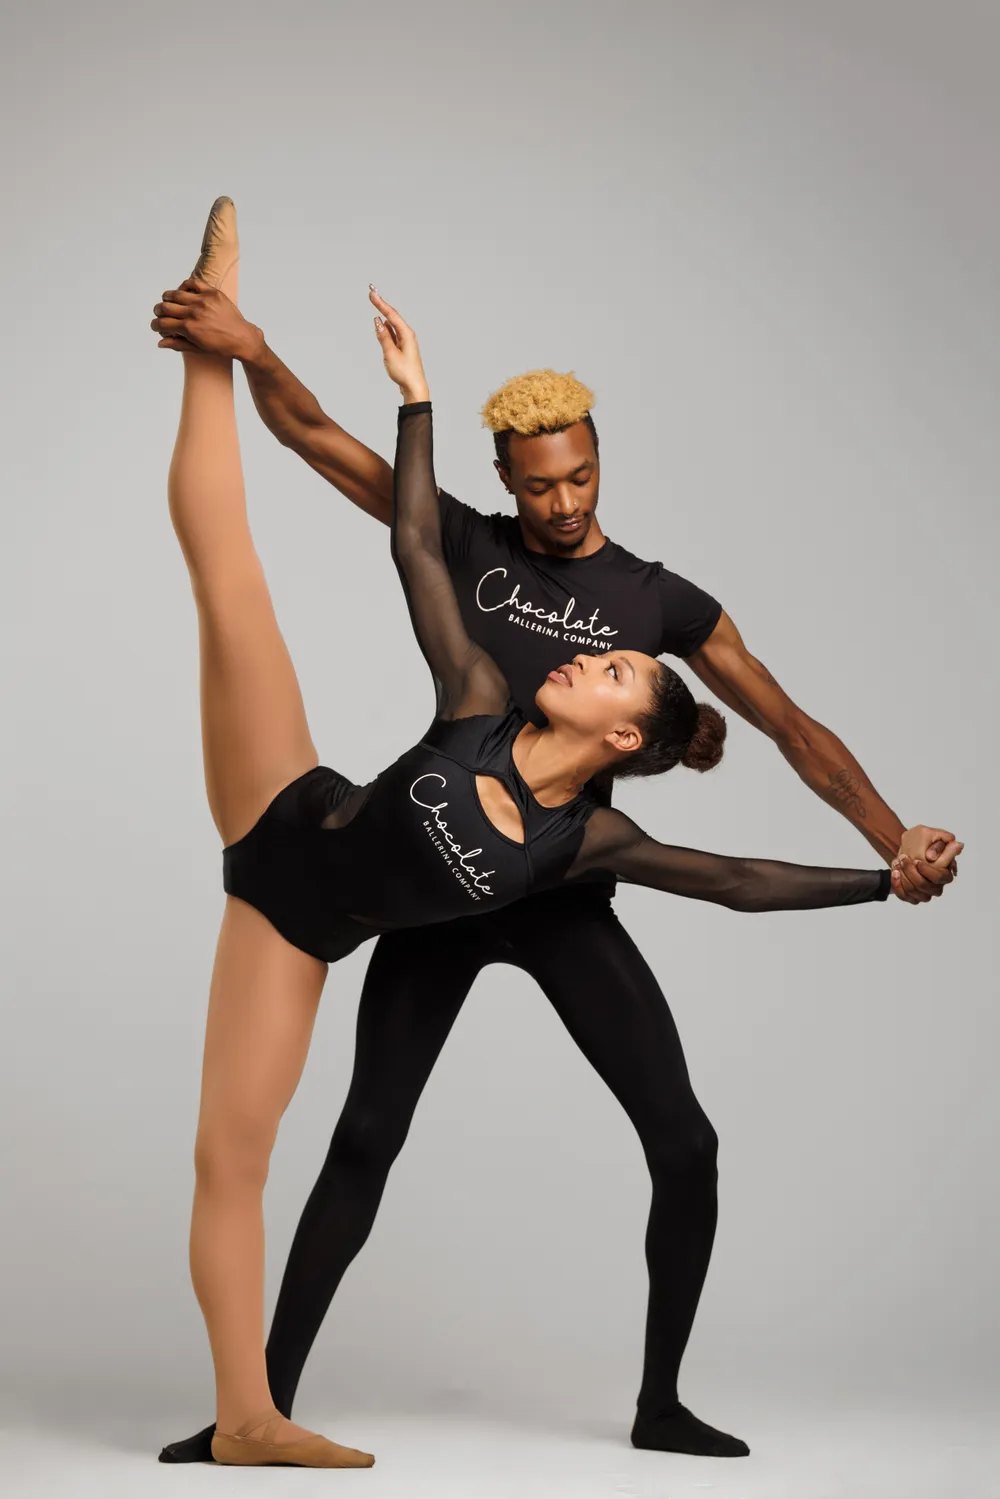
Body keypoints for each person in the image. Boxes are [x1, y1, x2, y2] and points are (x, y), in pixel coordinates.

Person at [153, 198, 960, 1464]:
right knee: (365, 1131)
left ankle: (660, 1402)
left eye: (582, 476)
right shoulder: (469, 557)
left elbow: (789, 730)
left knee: (683, 1139)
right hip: (439, 882)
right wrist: (254, 350)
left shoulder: (656, 602)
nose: (566, 501)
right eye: (542, 485)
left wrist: (891, 838)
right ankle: (258, 1401)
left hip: (560, 876)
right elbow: (314, 437)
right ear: (507, 484)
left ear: (600, 461)